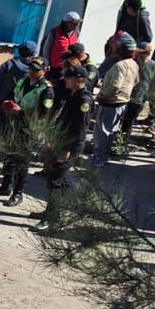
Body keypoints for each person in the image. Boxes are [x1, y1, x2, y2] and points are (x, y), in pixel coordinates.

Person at [0, 57, 54, 207]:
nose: (32, 71)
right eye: (31, 68)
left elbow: (43, 114)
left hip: (28, 129)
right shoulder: (22, 82)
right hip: (12, 124)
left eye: (36, 70)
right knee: (8, 155)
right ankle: (5, 186)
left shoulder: (47, 90)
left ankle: (18, 193)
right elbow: (13, 97)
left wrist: (21, 112)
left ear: (44, 71)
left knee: (22, 161)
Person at [0, 41, 39, 173]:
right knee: (13, 136)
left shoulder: (10, 64)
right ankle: (10, 166)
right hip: (21, 109)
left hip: (3, 105)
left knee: (1, 134)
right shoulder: (35, 69)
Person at [44, 65, 94, 211]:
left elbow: (79, 128)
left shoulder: (84, 100)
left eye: (69, 77)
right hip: (61, 141)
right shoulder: (72, 94)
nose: (65, 79)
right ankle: (56, 209)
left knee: (55, 181)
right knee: (55, 177)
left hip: (69, 145)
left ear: (80, 79)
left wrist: (66, 149)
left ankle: (52, 216)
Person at [93, 33, 140, 167]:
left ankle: (99, 159)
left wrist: (101, 96)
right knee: (112, 131)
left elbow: (115, 85)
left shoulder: (119, 65)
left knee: (102, 132)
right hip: (123, 103)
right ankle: (105, 157)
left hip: (110, 102)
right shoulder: (134, 64)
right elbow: (136, 81)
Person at [117, 43, 155, 156]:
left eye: (141, 53)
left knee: (127, 123)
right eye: (137, 52)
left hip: (138, 99)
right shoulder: (131, 63)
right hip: (124, 96)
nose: (137, 54)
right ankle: (118, 144)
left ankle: (119, 146)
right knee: (120, 122)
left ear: (147, 54)